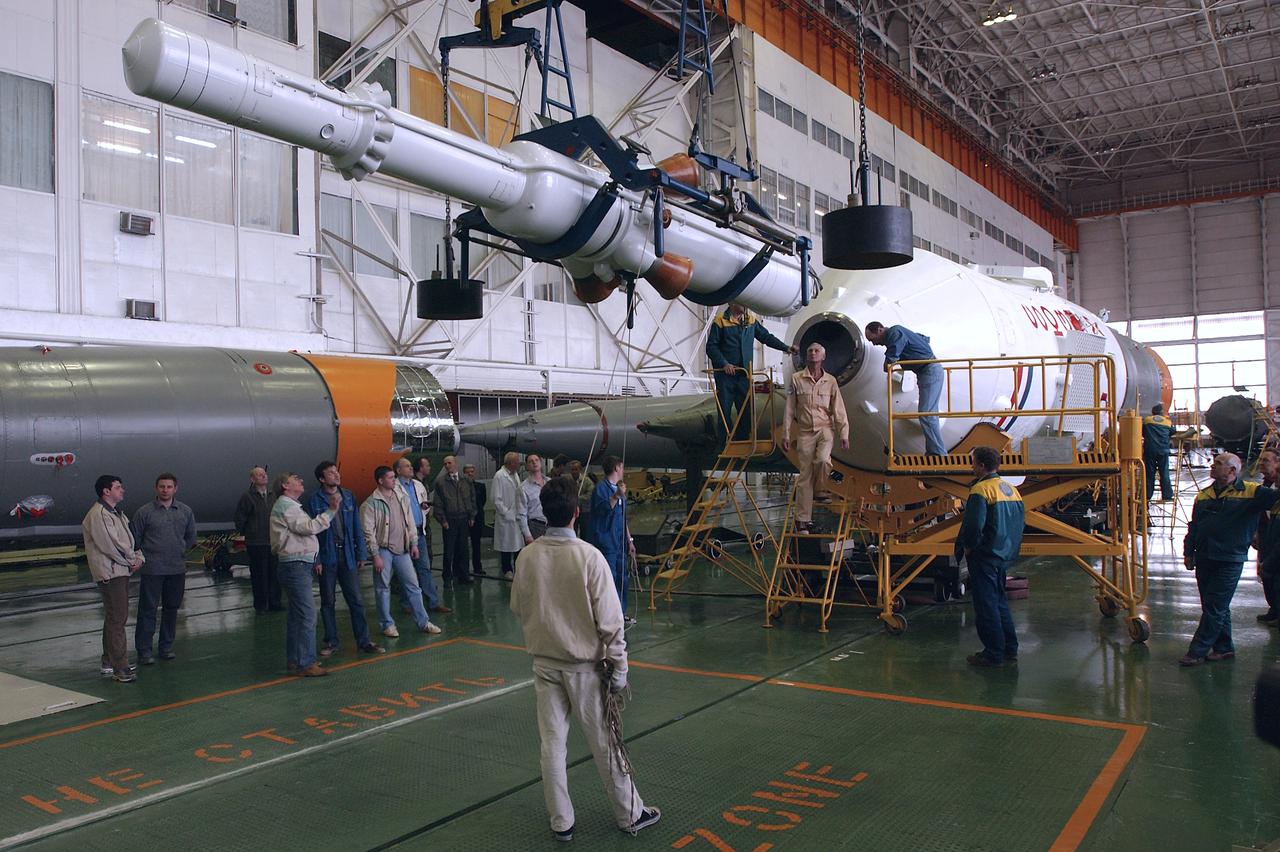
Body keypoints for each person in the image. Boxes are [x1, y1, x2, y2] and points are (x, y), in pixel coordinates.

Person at [510, 475, 660, 841]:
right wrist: (620, 670)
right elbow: (611, 623)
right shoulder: (589, 557)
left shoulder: (526, 556)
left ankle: (561, 821)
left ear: (545, 513)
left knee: (552, 745)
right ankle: (630, 815)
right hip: (584, 670)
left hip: (544, 665)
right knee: (605, 743)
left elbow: (518, 607)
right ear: (577, 513)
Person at [1180, 452, 1280, 666]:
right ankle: (1224, 648)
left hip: (1230, 560)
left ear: (1232, 471)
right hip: (1205, 557)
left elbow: (1276, 497)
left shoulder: (1252, 493)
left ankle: (1197, 651)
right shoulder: (1204, 495)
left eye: (1218, 464)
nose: (1213, 466)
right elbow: (1194, 526)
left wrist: (1274, 475)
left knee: (1215, 606)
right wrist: (1189, 552)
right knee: (1213, 605)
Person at [954, 447, 1024, 667]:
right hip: (1003, 555)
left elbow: (974, 525)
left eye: (973, 463)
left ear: (982, 466)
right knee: (1000, 603)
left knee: (986, 606)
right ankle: (1009, 648)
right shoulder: (1012, 490)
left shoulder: (981, 490)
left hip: (984, 556)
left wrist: (969, 547)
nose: (971, 467)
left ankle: (993, 653)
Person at [307, 461, 384, 658]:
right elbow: (311, 534)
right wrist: (316, 560)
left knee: (356, 600)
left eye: (336, 471)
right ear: (322, 479)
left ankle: (364, 641)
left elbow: (356, 527)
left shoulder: (348, 496)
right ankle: (331, 641)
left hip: (347, 555)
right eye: (330, 473)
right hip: (326, 557)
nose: (336, 475)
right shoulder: (314, 501)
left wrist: (360, 554)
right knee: (328, 601)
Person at [270, 472, 339, 677]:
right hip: (296, 565)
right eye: (295, 478)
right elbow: (308, 528)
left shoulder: (289, 506)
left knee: (296, 615)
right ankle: (306, 663)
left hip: (295, 565)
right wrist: (331, 510)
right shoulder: (287, 506)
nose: (300, 481)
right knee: (307, 615)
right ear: (285, 485)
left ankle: (295, 658)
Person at [362, 466, 442, 638]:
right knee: (382, 588)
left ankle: (423, 622)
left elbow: (410, 523)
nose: (393, 480)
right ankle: (387, 624)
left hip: (403, 549)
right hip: (383, 551)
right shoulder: (370, 504)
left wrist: (413, 543)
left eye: (393, 477)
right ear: (380, 480)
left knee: (413, 586)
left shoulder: (401, 498)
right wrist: (375, 556)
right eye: (390, 477)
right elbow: (368, 533)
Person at [782, 342, 850, 532]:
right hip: (805, 432)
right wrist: (786, 434)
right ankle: (802, 520)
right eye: (810, 351)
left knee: (822, 461)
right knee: (805, 475)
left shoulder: (831, 381)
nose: (813, 353)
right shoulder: (796, 379)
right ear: (807, 356)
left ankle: (820, 490)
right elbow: (789, 409)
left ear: (823, 356)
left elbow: (839, 409)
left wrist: (844, 433)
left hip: (825, 429)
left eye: (817, 350)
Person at [83, 475, 144, 683]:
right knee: (118, 619)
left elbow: (130, 539)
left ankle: (109, 661)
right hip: (112, 573)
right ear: (106, 491)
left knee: (113, 617)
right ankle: (121, 667)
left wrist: (138, 556)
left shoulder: (117, 513)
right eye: (118, 487)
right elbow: (111, 545)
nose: (122, 490)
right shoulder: (100, 514)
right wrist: (131, 560)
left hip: (120, 570)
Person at [131, 473, 196, 665]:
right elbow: (135, 539)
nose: (165, 490)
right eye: (162, 487)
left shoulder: (185, 511)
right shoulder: (144, 513)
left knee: (171, 609)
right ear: (156, 489)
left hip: (176, 569)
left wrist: (179, 551)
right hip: (152, 570)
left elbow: (191, 537)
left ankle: (166, 646)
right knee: (147, 610)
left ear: (175, 489)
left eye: (169, 487)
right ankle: (144, 650)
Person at [705, 303, 798, 439]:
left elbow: (766, 337)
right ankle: (725, 444)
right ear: (732, 302)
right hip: (725, 377)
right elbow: (711, 347)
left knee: (747, 411)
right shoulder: (720, 321)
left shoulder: (750, 320)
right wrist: (724, 363)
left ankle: (743, 442)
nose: (745, 305)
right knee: (724, 412)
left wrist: (786, 348)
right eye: (741, 301)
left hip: (744, 375)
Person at [864, 321, 946, 457]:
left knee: (926, 414)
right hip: (927, 371)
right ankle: (934, 451)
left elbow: (890, 361)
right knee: (929, 413)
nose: (874, 344)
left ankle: (938, 453)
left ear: (880, 330)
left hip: (929, 370)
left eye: (873, 340)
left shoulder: (894, 333)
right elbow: (924, 338)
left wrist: (888, 363)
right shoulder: (899, 332)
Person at [396, 457, 450, 615]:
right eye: (406, 466)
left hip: (420, 532)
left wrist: (424, 508)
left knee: (425, 568)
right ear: (398, 471)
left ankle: (433, 602)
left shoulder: (418, 485)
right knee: (407, 571)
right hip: (404, 534)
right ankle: (406, 603)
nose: (410, 468)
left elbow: (424, 506)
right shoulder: (395, 488)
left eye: (410, 466)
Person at [590, 455, 636, 623]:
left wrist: (629, 540)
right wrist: (616, 495)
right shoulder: (601, 489)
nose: (623, 471)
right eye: (622, 467)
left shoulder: (620, 490)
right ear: (617, 467)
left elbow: (622, 517)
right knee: (609, 579)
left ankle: (620, 614)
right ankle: (607, 615)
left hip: (620, 543)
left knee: (622, 578)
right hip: (606, 542)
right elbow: (602, 509)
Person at [235, 466, 282, 612]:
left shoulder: (273, 495)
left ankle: (275, 602)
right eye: (260, 475)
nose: (264, 477)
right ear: (252, 479)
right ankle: (261, 605)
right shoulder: (247, 497)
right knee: (259, 574)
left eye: (265, 474)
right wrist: (249, 533)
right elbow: (240, 518)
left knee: (275, 573)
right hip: (256, 542)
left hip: (273, 541)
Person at [435, 455, 476, 588]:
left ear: (455, 463)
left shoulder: (466, 480)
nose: (447, 466)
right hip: (450, 519)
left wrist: (472, 516)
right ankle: (447, 577)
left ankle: (463, 574)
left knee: (463, 549)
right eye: (445, 464)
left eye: (449, 463)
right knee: (449, 550)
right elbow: (438, 503)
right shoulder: (441, 482)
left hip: (463, 518)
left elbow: (471, 498)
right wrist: (443, 520)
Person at [493, 451, 530, 579]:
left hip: (516, 516)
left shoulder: (515, 475)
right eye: (517, 462)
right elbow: (496, 499)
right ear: (510, 463)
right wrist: (506, 513)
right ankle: (507, 570)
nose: (519, 464)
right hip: (506, 518)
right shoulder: (499, 476)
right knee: (506, 546)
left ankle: (518, 568)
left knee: (518, 546)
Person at [1255, 448, 1280, 626]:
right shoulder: (1264, 486)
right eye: (1261, 460)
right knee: (1266, 574)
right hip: (1266, 537)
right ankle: (1274, 609)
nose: (1261, 464)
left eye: (1266, 460)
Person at [1143, 403, 1174, 502]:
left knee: (1149, 473)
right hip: (1163, 450)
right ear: (1161, 412)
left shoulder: (1147, 420)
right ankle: (1167, 495)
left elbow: (1142, 432)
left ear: (1152, 412)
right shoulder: (1167, 422)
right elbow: (1173, 431)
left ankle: (1147, 495)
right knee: (1164, 472)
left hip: (1150, 450)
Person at [466, 463, 488, 577]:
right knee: (462, 545)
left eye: (472, 471)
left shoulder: (480, 487)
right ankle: (462, 568)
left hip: (478, 519)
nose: (470, 474)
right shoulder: (460, 488)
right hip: (464, 519)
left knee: (476, 544)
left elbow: (482, 501)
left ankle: (477, 567)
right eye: (467, 472)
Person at [522, 453, 549, 541]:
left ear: (540, 463)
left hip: (552, 525)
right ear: (527, 466)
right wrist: (527, 536)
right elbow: (521, 515)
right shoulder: (523, 488)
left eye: (536, 460)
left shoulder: (550, 482)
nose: (534, 463)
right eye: (531, 461)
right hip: (535, 527)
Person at [415, 456, 435, 561]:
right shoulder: (413, 484)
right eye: (427, 465)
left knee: (428, 553)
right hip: (417, 524)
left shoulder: (425, 482)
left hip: (426, 523)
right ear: (421, 468)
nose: (429, 468)